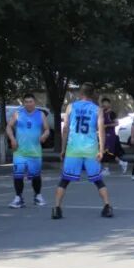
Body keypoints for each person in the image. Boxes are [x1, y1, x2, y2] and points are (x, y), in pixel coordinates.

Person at [52, 83, 113, 219]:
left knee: (64, 180)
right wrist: (101, 150)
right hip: (90, 149)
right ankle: (107, 206)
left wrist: (63, 149)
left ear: (80, 93)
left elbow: (65, 129)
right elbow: (101, 131)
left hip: (73, 149)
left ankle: (56, 208)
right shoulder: (97, 109)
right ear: (93, 94)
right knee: (98, 180)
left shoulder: (71, 107)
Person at [5, 93, 51, 208]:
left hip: (35, 152)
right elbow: (9, 126)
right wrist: (12, 139)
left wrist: (44, 135)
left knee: (36, 175)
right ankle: (18, 198)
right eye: (26, 102)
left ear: (34, 102)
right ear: (23, 103)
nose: (28, 104)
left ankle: (38, 196)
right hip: (20, 151)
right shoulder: (18, 114)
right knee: (18, 175)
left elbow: (47, 129)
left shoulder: (40, 115)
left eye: (31, 101)